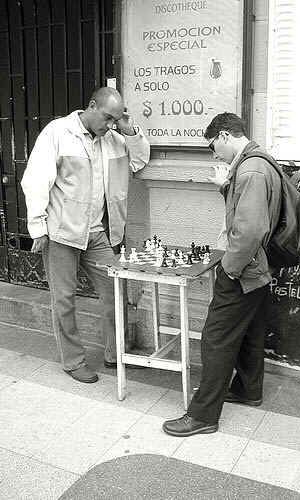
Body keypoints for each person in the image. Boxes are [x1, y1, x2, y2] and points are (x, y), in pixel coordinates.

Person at [163, 112, 281, 436]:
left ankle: (202, 416)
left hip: (244, 269)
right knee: (251, 332)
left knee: (215, 338)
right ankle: (247, 389)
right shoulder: (257, 162)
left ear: (226, 136)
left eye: (214, 146)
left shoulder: (251, 169)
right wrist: (225, 187)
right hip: (260, 269)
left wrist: (229, 268)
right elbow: (248, 212)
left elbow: (251, 227)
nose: (215, 154)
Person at [21, 87, 150, 384]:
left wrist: (128, 130)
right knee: (64, 299)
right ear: (91, 106)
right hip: (62, 232)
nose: (109, 125)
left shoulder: (114, 139)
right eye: (107, 118)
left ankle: (115, 354)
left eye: (115, 121)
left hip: (98, 233)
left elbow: (140, 159)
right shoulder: (58, 132)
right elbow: (36, 178)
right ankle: (73, 361)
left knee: (116, 293)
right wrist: (38, 227)